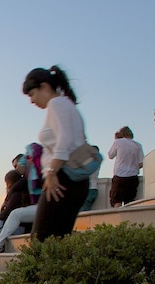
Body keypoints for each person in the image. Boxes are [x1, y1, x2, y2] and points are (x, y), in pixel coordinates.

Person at [22, 66, 91, 241]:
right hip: (76, 179)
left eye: (32, 94)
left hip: (62, 178)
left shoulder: (56, 104)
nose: (32, 101)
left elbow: (65, 140)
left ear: (44, 87)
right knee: (59, 239)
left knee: (41, 239)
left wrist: (52, 173)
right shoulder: (68, 105)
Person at [0, 144, 44, 254]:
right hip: (38, 208)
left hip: (44, 207)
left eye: (18, 165)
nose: (17, 169)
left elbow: (15, 189)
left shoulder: (29, 177)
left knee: (15, 214)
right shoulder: (30, 176)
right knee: (16, 214)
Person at [107, 127, 144, 207]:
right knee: (129, 202)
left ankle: (117, 218)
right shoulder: (138, 145)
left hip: (119, 175)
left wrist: (116, 139)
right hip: (133, 177)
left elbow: (110, 155)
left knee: (116, 200)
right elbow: (141, 163)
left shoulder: (118, 142)